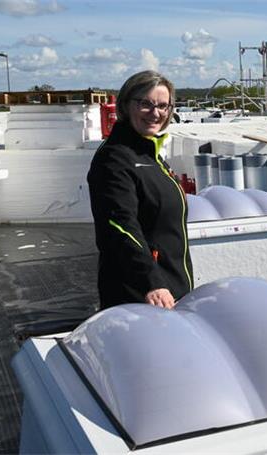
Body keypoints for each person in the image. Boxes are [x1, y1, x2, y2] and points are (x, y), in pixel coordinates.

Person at [87, 70, 193, 310]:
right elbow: (120, 225)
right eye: (145, 104)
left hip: (171, 292)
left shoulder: (151, 155)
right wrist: (151, 282)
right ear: (126, 105)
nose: (155, 113)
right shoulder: (115, 158)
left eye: (163, 106)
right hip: (141, 296)